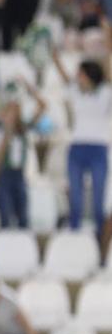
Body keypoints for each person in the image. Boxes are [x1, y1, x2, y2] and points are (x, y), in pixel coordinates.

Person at [51, 50, 110, 236]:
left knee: (98, 198)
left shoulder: (106, 92)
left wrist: (108, 44)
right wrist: (55, 58)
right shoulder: (75, 92)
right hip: (77, 147)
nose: (78, 77)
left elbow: (107, 70)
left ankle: (100, 239)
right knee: (75, 197)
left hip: (98, 148)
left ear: (90, 75)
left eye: (81, 73)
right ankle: (74, 235)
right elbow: (64, 76)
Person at [0, 82, 45, 229]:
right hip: (4, 174)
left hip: (19, 174)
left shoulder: (24, 129)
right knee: (5, 215)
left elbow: (43, 106)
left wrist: (29, 86)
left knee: (23, 217)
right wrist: (7, 133)